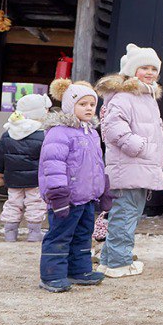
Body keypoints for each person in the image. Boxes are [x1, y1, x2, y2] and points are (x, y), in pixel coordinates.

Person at [94, 45, 163, 278]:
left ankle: (108, 261)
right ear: (131, 70)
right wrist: (141, 147)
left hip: (138, 166)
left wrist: (162, 145)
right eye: (144, 68)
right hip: (129, 166)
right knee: (125, 216)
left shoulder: (146, 96)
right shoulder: (125, 97)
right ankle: (119, 263)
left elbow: (151, 128)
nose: (150, 72)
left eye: (153, 69)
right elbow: (113, 128)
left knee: (128, 215)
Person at [38, 80, 112, 293]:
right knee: (60, 236)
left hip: (86, 197)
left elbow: (97, 165)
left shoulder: (91, 133)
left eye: (92, 104)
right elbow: (53, 165)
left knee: (82, 235)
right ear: (70, 106)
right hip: (66, 198)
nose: (89, 108)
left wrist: (103, 188)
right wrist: (57, 193)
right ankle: (52, 275)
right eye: (83, 104)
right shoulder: (59, 133)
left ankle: (79, 270)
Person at [0, 92, 51, 241]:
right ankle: (34, 233)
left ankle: (10, 233)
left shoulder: (8, 133)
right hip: (35, 179)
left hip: (12, 178)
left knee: (13, 203)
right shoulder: (44, 135)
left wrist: (0, 174)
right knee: (35, 204)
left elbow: (0, 156)